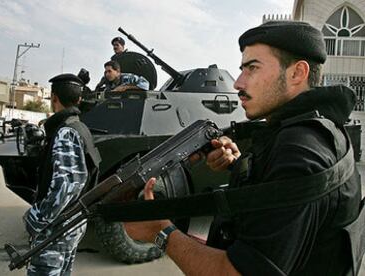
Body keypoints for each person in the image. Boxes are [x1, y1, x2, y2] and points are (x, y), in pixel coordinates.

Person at [124, 21, 364, 275]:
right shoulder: (321, 130)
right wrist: (243, 168)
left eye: (252, 68)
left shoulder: (299, 149)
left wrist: (160, 232)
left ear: (297, 73)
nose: (238, 82)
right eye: (242, 69)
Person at [23, 73, 100, 275]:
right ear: (79, 99)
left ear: (54, 98)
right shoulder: (81, 127)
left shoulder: (66, 131)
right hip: (72, 220)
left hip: (58, 227)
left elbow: (67, 185)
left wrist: (36, 218)